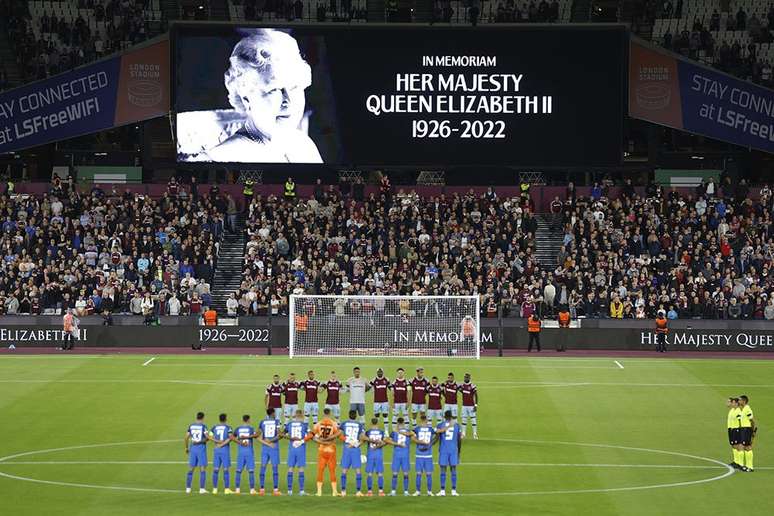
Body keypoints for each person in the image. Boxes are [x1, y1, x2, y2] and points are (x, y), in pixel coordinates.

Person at [194, 29, 323, 163]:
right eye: (275, 89)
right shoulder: (221, 158)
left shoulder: (304, 145)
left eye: (295, 87)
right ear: (246, 99)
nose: (288, 101)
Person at [311, 408, 341, 496]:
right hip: (331, 449)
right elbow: (338, 434)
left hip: (321, 449)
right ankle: (334, 491)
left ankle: (319, 491)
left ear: (323, 413)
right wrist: (329, 440)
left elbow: (312, 436)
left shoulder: (318, 424)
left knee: (320, 470)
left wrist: (321, 441)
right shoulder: (334, 423)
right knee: (332, 471)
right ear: (330, 413)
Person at [435, 410, 462, 496]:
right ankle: (453, 491)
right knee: (453, 470)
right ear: (451, 417)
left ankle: (442, 490)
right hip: (453, 450)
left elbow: (436, 438)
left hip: (444, 450)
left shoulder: (440, 425)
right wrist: (459, 451)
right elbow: (459, 439)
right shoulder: (457, 426)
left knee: (443, 470)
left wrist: (428, 445)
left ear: (444, 416)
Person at [339, 410, 365, 497]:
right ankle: (358, 491)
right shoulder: (360, 425)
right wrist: (355, 444)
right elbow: (363, 438)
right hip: (355, 449)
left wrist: (347, 441)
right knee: (357, 470)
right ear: (356, 416)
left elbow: (340, 435)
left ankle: (343, 491)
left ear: (349, 415)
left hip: (347, 448)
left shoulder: (344, 423)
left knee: (344, 470)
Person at [284, 409, 310, 495]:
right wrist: (302, 440)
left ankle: (289, 491)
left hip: (292, 448)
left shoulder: (289, 424)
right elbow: (310, 435)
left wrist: (291, 438)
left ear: (295, 415)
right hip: (300, 448)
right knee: (301, 468)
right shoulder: (304, 425)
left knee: (290, 468)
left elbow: (283, 434)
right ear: (302, 415)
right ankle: (301, 491)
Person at [364, 417, 393, 496]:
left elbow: (363, 439)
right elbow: (387, 441)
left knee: (370, 473)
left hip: (370, 453)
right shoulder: (382, 432)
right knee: (380, 473)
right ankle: (381, 491)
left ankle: (369, 492)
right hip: (379, 454)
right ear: (377, 423)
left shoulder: (368, 432)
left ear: (371, 423)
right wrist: (379, 446)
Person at [258, 408, 283, 495]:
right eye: (274, 412)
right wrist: (271, 441)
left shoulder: (262, 422)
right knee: (275, 468)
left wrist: (266, 442)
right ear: (272, 413)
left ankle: (261, 489)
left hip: (264, 447)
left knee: (263, 467)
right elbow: (280, 435)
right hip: (274, 447)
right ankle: (275, 490)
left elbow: (258, 436)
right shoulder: (277, 422)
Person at [184, 412, 209, 494]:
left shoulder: (191, 426)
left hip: (193, 449)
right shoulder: (203, 426)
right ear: (203, 418)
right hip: (201, 449)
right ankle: (202, 489)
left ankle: (188, 488)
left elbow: (186, 437)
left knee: (191, 468)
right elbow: (207, 438)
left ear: (196, 417)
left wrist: (186, 447)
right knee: (202, 469)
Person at [233, 414, 258, 495]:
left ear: (243, 420)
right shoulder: (250, 428)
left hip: (241, 452)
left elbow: (232, 438)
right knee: (251, 471)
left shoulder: (238, 428)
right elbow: (256, 435)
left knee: (238, 471)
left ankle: (237, 489)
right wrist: (248, 436)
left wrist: (240, 441)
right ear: (248, 420)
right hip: (249, 452)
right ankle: (252, 490)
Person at [412, 414, 436, 496]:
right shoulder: (431, 429)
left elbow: (413, 438)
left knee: (419, 473)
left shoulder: (417, 429)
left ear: (420, 420)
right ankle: (429, 491)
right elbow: (437, 436)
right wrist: (430, 444)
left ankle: (418, 491)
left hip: (419, 454)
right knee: (428, 473)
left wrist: (420, 442)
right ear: (426, 420)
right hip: (428, 455)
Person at [210, 413, 234, 494]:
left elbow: (209, 436)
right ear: (226, 419)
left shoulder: (214, 427)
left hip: (216, 450)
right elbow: (230, 437)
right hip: (224, 450)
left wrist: (217, 442)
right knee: (226, 469)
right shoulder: (228, 427)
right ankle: (226, 489)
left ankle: (214, 489)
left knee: (216, 469)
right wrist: (222, 444)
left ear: (219, 419)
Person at [390, 417, 412, 496]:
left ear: (397, 423)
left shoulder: (394, 432)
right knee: (406, 473)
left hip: (397, 454)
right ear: (403, 423)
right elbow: (412, 435)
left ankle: (393, 491)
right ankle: (406, 492)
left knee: (395, 473)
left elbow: (388, 440)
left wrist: (397, 444)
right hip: (405, 454)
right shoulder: (408, 431)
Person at [738, 395, 756, 472]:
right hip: (743, 429)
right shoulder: (744, 409)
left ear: (744, 401)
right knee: (745, 447)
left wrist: (752, 430)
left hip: (746, 429)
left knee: (746, 447)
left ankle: (749, 466)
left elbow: (752, 420)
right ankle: (746, 466)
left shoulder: (748, 409)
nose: (739, 401)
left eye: (740, 400)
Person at [370, 368, 391, 433]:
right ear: (377, 373)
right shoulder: (373, 380)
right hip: (376, 401)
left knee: (385, 415)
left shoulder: (386, 380)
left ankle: (386, 431)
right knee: (376, 416)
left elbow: (391, 388)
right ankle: (376, 429)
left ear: (382, 372)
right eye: (378, 372)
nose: (380, 373)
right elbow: (370, 389)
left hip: (385, 401)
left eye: (381, 372)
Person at [459, 373, 478, 439]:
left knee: (473, 420)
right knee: (464, 420)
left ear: (469, 378)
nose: (465, 378)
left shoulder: (472, 386)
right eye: (465, 377)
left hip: (471, 406)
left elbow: (476, 395)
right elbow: (461, 390)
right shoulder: (462, 385)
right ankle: (463, 434)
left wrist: (475, 405)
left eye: (467, 377)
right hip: (464, 405)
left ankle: (475, 434)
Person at [727, 398, 743, 470]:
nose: (732, 404)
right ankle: (735, 461)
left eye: (733, 403)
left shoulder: (738, 411)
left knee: (737, 446)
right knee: (733, 445)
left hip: (736, 429)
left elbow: (740, 421)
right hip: (731, 429)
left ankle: (739, 463)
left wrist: (740, 430)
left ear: (737, 403)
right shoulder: (732, 410)